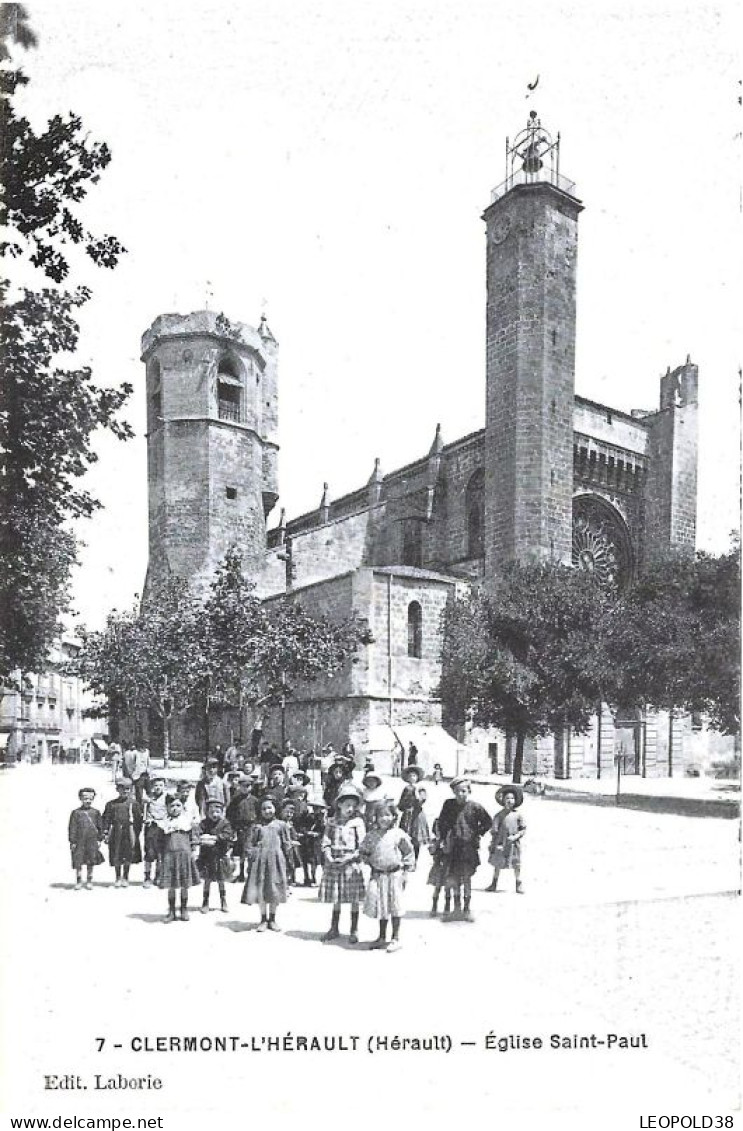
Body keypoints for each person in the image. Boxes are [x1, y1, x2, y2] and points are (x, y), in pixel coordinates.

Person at [360, 801, 416, 952]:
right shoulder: (371, 835)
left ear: (393, 817)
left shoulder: (398, 834)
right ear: (375, 818)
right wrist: (368, 861)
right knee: (381, 906)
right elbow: (364, 851)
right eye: (380, 816)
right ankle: (381, 936)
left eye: (387, 815)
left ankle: (395, 938)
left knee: (395, 906)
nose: (384, 818)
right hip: (378, 875)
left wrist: (405, 871)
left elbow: (409, 852)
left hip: (395, 875)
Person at [436, 777, 491, 922]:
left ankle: (466, 910)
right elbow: (442, 822)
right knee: (453, 877)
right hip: (452, 846)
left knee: (466, 877)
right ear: (453, 792)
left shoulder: (475, 807)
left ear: (469, 791)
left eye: (463, 791)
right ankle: (455, 908)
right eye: (457, 791)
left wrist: (477, 833)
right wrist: (441, 839)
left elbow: (487, 822)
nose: (460, 794)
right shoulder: (448, 805)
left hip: (468, 848)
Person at [319, 783, 366, 944]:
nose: (350, 809)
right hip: (334, 863)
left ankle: (354, 929)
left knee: (353, 898)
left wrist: (349, 858)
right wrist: (328, 856)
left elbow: (362, 846)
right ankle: (334, 928)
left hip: (350, 864)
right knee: (336, 897)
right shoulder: (332, 822)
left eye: (353, 805)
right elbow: (325, 841)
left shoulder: (358, 823)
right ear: (339, 804)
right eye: (347, 805)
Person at [241, 797, 293, 932]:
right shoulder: (256, 826)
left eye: (269, 807)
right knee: (261, 889)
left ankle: (273, 919)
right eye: (264, 809)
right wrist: (252, 854)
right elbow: (249, 845)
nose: (267, 811)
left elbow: (287, 844)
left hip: (276, 860)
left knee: (275, 889)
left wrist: (289, 862)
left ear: (275, 808)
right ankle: (263, 919)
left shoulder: (281, 825)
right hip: (260, 861)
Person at [159, 795, 201, 922]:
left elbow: (194, 839)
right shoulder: (163, 824)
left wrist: (194, 851)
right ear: (167, 807)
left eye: (178, 806)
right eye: (172, 806)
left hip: (184, 855)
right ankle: (171, 911)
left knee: (184, 885)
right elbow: (159, 842)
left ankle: (184, 909)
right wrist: (160, 857)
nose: (175, 808)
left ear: (183, 807)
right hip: (169, 856)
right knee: (171, 886)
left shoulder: (187, 822)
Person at [102, 778, 143, 888]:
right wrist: (105, 832)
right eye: (122, 789)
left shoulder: (134, 804)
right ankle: (118, 877)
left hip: (129, 831)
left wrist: (136, 833)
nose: (125, 791)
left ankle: (125, 877)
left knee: (128, 854)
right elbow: (106, 819)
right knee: (116, 854)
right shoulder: (111, 804)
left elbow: (139, 820)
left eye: (127, 789)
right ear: (117, 790)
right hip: (116, 832)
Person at [198, 798, 236, 913]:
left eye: (217, 812)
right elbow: (198, 833)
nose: (214, 814)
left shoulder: (225, 823)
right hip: (207, 856)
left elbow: (228, 835)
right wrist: (203, 838)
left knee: (221, 880)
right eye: (211, 812)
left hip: (220, 855)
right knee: (207, 880)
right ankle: (205, 901)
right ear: (207, 812)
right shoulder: (204, 823)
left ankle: (223, 901)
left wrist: (217, 837)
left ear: (222, 812)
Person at [486, 785, 526, 894]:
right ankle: (494, 883)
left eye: (512, 798)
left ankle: (518, 884)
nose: (510, 800)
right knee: (497, 864)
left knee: (516, 864)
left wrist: (515, 836)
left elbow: (523, 829)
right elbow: (494, 831)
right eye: (507, 798)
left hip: (513, 844)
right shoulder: (499, 815)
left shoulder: (518, 815)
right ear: (503, 800)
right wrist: (494, 844)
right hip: (501, 844)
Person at [68, 788, 104, 890]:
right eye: (85, 798)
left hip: (92, 840)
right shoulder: (76, 813)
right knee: (78, 861)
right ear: (80, 798)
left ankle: (89, 880)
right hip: (79, 840)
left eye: (90, 799)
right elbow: (72, 827)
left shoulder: (96, 812)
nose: (87, 801)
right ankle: (79, 881)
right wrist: (72, 841)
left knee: (91, 860)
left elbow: (99, 826)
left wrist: (99, 839)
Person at [226, 773, 259, 883]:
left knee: (249, 850)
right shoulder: (235, 800)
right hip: (239, 828)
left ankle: (250, 873)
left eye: (248, 786)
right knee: (239, 852)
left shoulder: (254, 800)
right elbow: (230, 814)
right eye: (243, 786)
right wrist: (232, 829)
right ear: (239, 786)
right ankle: (239, 873)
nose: (245, 788)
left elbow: (258, 814)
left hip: (251, 827)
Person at [142, 776, 169, 888]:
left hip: (163, 828)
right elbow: (145, 812)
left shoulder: (168, 798)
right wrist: (146, 819)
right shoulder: (149, 798)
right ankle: (147, 877)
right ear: (152, 787)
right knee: (149, 853)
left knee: (161, 854)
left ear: (164, 786)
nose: (158, 788)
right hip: (151, 827)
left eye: (160, 785)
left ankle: (158, 876)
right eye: (156, 785)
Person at [295, 794, 325, 887]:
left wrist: (317, 834)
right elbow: (302, 827)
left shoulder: (322, 819)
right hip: (307, 841)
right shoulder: (308, 817)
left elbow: (323, 831)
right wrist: (307, 832)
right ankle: (306, 878)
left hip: (316, 842)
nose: (316, 810)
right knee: (304, 860)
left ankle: (313, 877)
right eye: (315, 808)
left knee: (314, 861)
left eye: (318, 808)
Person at [399, 783, 430, 862]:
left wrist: (416, 794)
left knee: (416, 839)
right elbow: (401, 804)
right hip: (407, 816)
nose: (412, 778)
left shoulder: (421, 788)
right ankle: (406, 859)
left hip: (417, 816)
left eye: (414, 776)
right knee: (405, 838)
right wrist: (405, 806)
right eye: (410, 776)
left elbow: (422, 801)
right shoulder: (406, 788)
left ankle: (415, 860)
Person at [426, 816, 450, 918]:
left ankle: (447, 907)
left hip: (448, 866)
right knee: (437, 888)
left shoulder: (449, 841)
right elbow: (431, 851)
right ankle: (434, 907)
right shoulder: (434, 841)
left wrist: (446, 843)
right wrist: (435, 845)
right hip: (438, 867)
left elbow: (448, 851)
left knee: (448, 888)